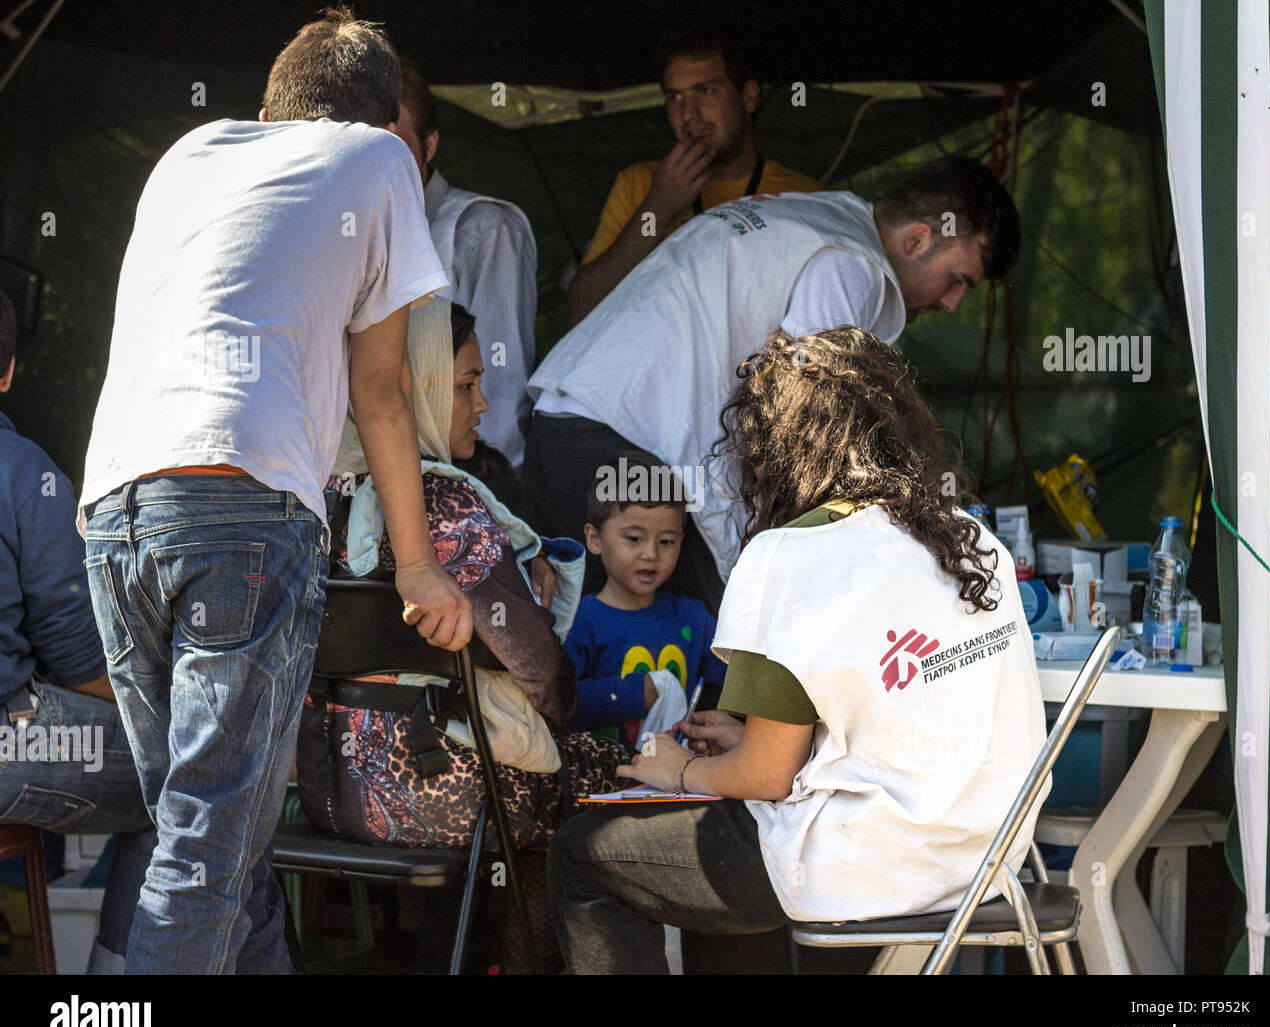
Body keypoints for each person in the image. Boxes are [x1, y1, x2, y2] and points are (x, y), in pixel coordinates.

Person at [77, 8, 469, 975]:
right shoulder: (379, 163)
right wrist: (419, 566)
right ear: (386, 124)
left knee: (216, 833)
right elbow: (381, 389)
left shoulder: (191, 150)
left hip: (116, 509)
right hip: (241, 508)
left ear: (268, 107)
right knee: (211, 844)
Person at [547, 327, 1048, 974]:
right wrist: (754, 736)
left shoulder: (790, 556)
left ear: (775, 450)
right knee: (736, 834)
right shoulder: (971, 537)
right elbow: (901, 723)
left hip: (866, 870)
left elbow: (766, 776)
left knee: (581, 854)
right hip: (988, 860)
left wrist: (678, 768)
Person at [527, 156, 1021, 610]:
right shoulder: (854, 266)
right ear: (916, 240)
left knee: (587, 651)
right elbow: (801, 419)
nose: (953, 302)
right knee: (705, 653)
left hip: (563, 421)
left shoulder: (812, 216)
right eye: (958, 280)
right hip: (630, 442)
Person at [306, 298, 625, 972]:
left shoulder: (317, 502)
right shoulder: (448, 506)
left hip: (327, 793)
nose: (482, 403)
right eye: (465, 383)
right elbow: (543, 676)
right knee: (616, 777)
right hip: (443, 794)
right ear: (418, 384)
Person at [0, 290, 154, 974]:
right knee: (188, 772)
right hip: (11, 739)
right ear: (7, 372)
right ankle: (110, 998)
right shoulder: (23, 470)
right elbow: (75, 656)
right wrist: (167, 707)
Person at [567, 27, 823, 325]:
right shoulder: (639, 184)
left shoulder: (806, 196)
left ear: (749, 96)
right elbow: (582, 308)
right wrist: (658, 209)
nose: (688, 113)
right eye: (675, 97)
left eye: (706, 91)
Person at [394, 57, 538, 473]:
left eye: (395, 148)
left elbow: (500, 396)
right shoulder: (357, 231)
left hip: (465, 493)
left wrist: (491, 513)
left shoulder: (484, 231)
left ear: (430, 145)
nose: (380, 166)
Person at [564, 453, 727, 750]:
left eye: (666, 541)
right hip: (602, 782)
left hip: (677, 780)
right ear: (595, 538)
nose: (651, 554)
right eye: (634, 539)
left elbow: (737, 678)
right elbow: (561, 702)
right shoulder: (581, 620)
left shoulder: (692, 618)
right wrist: (634, 694)